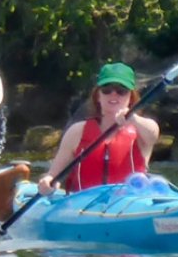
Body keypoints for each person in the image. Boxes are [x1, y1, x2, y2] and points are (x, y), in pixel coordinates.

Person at [39, 62, 159, 192]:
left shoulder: (142, 128)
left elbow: (152, 136)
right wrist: (48, 182)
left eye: (121, 91)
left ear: (131, 97)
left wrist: (132, 118)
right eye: (106, 90)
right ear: (98, 96)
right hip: (82, 204)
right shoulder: (77, 131)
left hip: (129, 204)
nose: (113, 95)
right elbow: (53, 174)